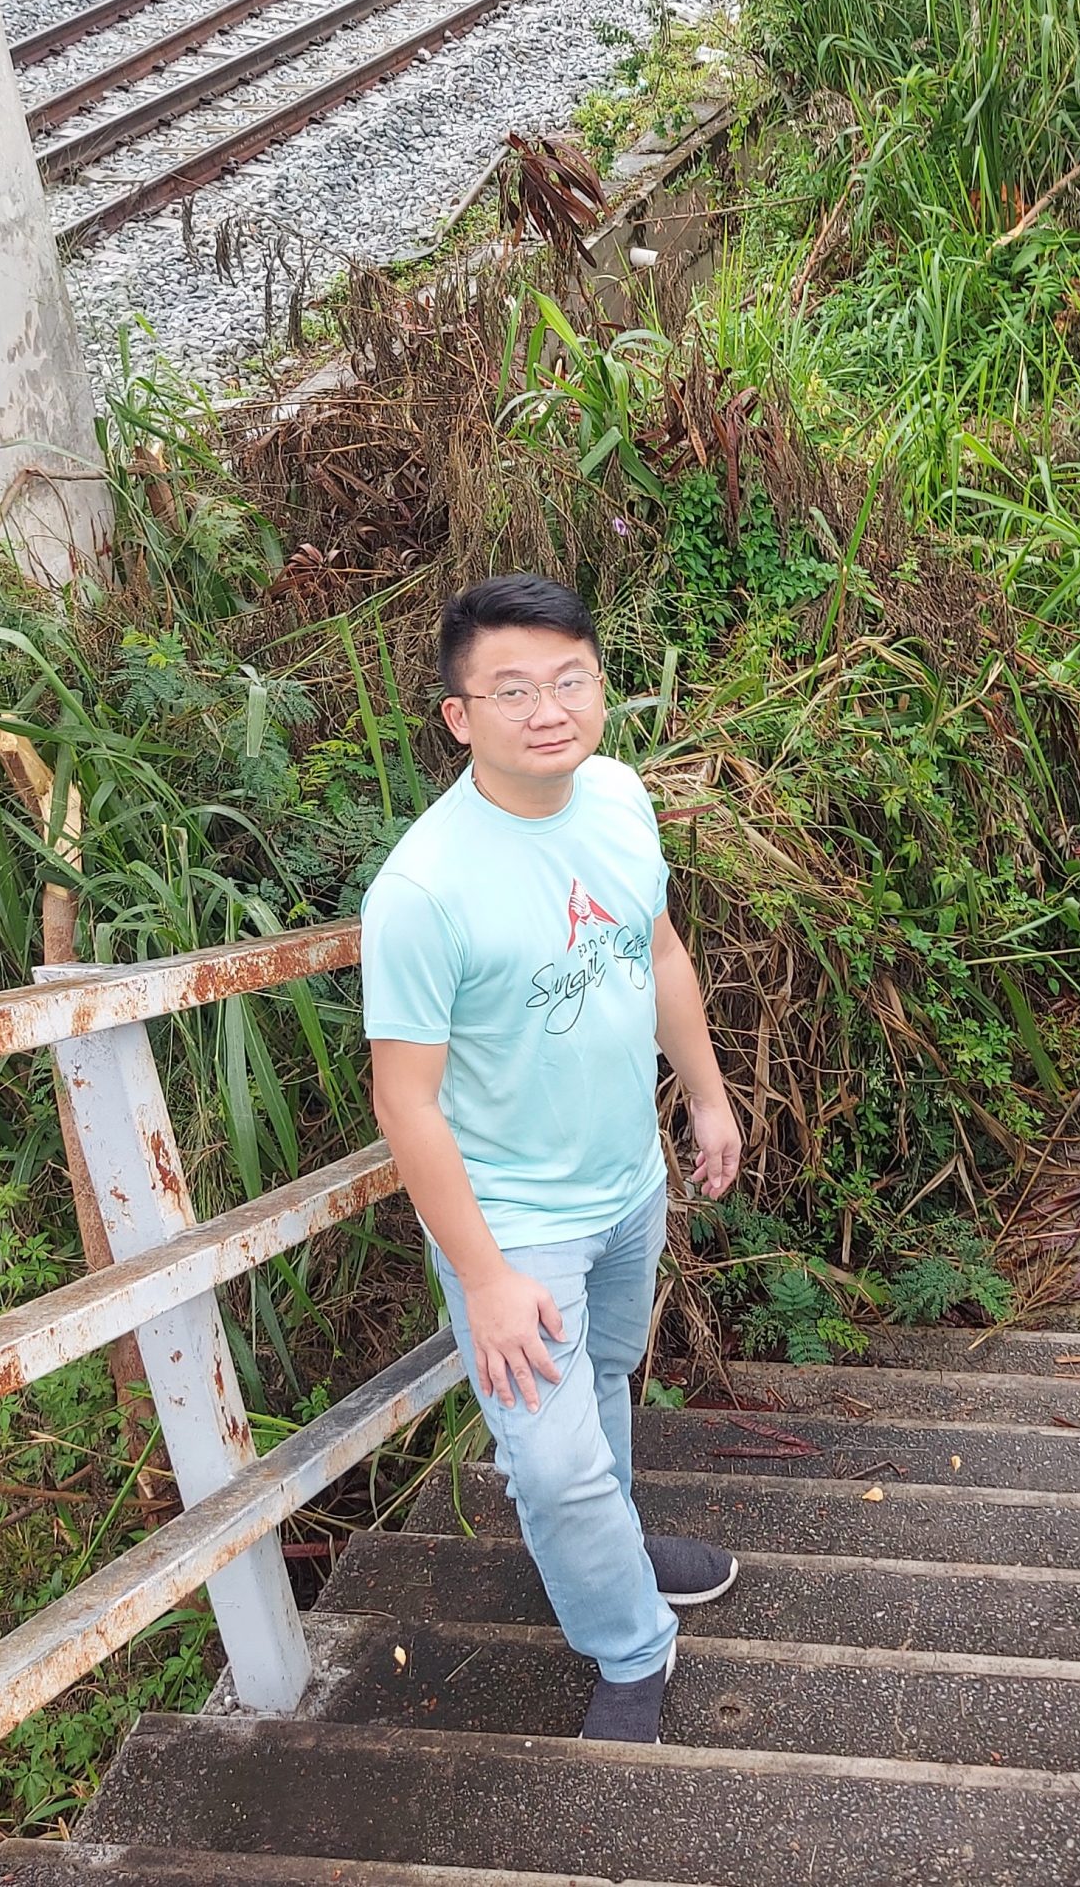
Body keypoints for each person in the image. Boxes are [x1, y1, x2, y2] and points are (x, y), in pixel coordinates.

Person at [364, 572, 745, 1744]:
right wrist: (481, 1277)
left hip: (627, 1177)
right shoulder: (424, 890)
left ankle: (614, 1550)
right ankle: (631, 1647)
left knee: (607, 1381)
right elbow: (406, 1101)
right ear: (459, 715)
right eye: (512, 688)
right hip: (514, 1220)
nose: (549, 708)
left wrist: (707, 1097)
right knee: (553, 1460)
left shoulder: (619, 797)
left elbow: (660, 952)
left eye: (569, 678)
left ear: (598, 683)